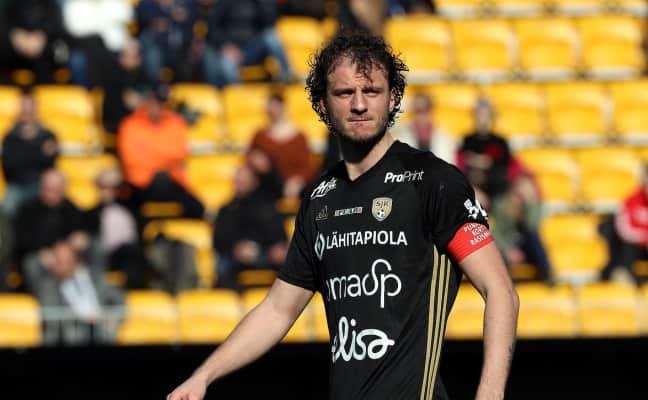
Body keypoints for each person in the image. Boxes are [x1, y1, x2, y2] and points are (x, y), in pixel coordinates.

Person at [168, 33, 518, 400]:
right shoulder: (320, 200)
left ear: (393, 98)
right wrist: (203, 377)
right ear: (323, 104)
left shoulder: (432, 181)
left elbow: (500, 291)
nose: (359, 104)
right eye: (344, 93)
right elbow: (277, 310)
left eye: (372, 91)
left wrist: (490, 393)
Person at [117, 83, 204, 219]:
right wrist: (165, 160)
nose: (158, 106)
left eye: (162, 103)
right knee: (125, 211)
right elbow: (131, 159)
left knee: (198, 208)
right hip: (141, 184)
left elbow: (181, 152)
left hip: (171, 181)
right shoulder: (130, 124)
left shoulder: (175, 122)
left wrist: (150, 153)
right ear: (147, 101)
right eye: (154, 101)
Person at [213, 164, 288, 290]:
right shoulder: (227, 209)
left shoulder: (267, 206)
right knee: (222, 266)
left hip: (265, 253)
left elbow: (278, 235)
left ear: (254, 181)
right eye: (238, 181)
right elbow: (218, 240)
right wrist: (235, 248)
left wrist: (277, 247)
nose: (240, 184)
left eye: (244, 180)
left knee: (287, 263)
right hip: (234, 256)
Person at [201, 0, 292, 87]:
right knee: (227, 65)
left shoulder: (258, 3)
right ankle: (237, 93)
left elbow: (270, 24)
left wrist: (264, 3)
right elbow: (213, 29)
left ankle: (288, 75)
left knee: (271, 36)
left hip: (251, 49)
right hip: (230, 50)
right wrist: (225, 46)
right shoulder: (225, 2)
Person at [1, 89, 59, 219]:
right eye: (24, 107)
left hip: (41, 185)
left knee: (53, 205)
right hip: (17, 185)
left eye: (29, 107)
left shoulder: (48, 134)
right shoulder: (10, 136)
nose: (26, 111)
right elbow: (10, 164)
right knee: (6, 210)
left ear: (36, 108)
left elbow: (51, 163)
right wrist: (38, 152)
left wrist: (24, 152)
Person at [248, 93, 315, 199]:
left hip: (294, 188)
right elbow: (250, 157)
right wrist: (255, 161)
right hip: (266, 187)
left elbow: (307, 167)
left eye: (276, 106)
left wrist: (297, 181)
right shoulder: (260, 136)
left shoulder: (299, 137)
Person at [490, 175, 551, 282]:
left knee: (534, 239)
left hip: (523, 245)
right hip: (506, 245)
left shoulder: (533, 205)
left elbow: (531, 226)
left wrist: (529, 203)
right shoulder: (501, 204)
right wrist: (508, 250)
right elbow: (496, 232)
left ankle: (546, 276)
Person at [457, 97, 518, 202]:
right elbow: (463, 164)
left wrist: (479, 161)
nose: (483, 118)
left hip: (497, 192)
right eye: (480, 114)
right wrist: (484, 161)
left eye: (486, 114)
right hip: (473, 191)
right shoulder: (467, 140)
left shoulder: (500, 142)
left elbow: (506, 167)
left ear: (491, 116)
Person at [600, 166, 648, 284]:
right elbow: (624, 230)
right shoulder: (632, 200)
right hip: (636, 247)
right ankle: (625, 277)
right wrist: (644, 237)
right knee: (628, 248)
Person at [393, 92, 457, 164]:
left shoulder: (445, 137)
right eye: (417, 111)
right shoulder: (400, 134)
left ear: (431, 111)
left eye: (425, 110)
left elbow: (449, 165)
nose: (421, 116)